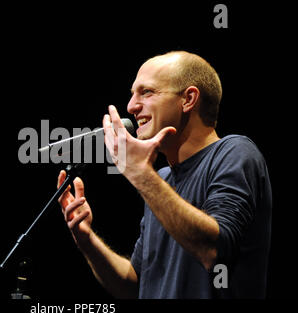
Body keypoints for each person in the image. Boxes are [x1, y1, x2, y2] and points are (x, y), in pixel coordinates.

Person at [57, 51, 272, 299]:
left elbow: (213, 250)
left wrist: (141, 175)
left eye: (146, 92)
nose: (131, 106)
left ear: (188, 99)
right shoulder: (163, 178)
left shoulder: (234, 152)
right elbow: (135, 285)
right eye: (132, 94)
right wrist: (87, 242)